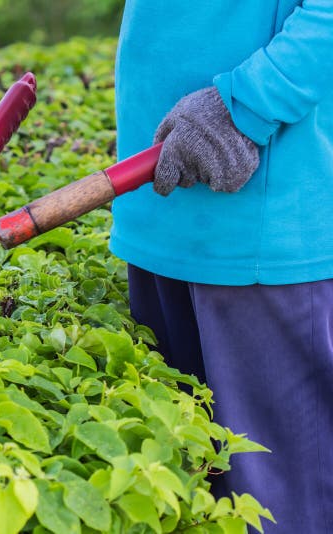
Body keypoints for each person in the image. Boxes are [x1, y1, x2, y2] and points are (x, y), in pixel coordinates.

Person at [111, 2, 333, 532]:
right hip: (158, 218)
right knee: (194, 499)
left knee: (278, 512)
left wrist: (245, 106)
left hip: (260, 241)